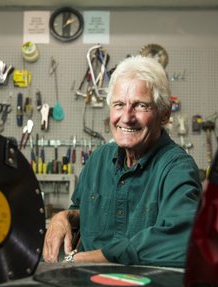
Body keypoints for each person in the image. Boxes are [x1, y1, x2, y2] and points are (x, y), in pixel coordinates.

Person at [42, 55, 202, 267]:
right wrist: (64, 217)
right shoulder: (98, 159)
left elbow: (182, 240)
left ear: (164, 115)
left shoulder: (177, 168)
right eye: (118, 105)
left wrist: (96, 257)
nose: (126, 117)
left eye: (140, 106)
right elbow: (86, 214)